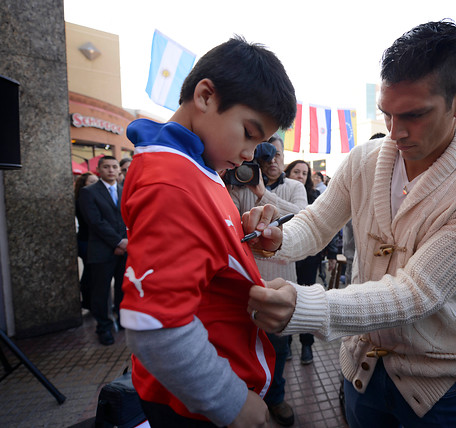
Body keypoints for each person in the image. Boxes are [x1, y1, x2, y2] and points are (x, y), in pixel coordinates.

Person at [245, 21, 456, 427]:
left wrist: (305, 306)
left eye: (415, 114)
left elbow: (415, 294)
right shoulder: (365, 158)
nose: (396, 132)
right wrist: (276, 238)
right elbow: (317, 224)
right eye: (387, 115)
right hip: (361, 371)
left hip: (436, 386)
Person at [119, 36, 297, 427]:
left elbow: (201, 259)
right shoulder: (172, 181)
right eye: (249, 133)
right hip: (193, 404)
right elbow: (156, 327)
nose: (251, 154)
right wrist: (229, 401)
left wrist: (240, 235)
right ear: (205, 96)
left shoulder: (197, 166)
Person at [229, 135, 307, 427]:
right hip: (248, 283)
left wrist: (262, 192)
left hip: (283, 282)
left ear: (284, 156)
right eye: (265, 156)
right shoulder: (239, 187)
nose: (272, 161)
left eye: (277, 155)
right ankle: (246, 399)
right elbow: (231, 229)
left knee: (278, 349)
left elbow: (301, 219)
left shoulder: (295, 187)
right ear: (255, 159)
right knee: (241, 346)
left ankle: (276, 398)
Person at [283, 159, 339, 365]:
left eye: (304, 173)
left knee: (304, 297)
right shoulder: (279, 192)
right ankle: (286, 342)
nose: (300, 176)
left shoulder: (315, 197)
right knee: (286, 294)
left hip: (309, 258)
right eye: (296, 171)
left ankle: (307, 345)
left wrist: (332, 254)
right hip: (285, 258)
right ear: (287, 173)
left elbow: (330, 227)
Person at [78, 156, 127, 346]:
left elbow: (127, 219)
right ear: (99, 169)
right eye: (106, 167)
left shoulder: (124, 191)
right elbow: (95, 222)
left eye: (114, 167)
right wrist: (118, 242)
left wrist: (124, 243)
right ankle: (104, 328)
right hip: (102, 250)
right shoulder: (88, 192)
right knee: (101, 292)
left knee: (123, 288)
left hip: (124, 250)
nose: (111, 170)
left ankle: (123, 321)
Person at [74, 172, 99, 310]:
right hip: (86, 241)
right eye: (92, 181)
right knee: (89, 272)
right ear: (84, 184)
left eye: (97, 181)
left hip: (89, 240)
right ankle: (88, 301)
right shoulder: (81, 201)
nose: (96, 184)